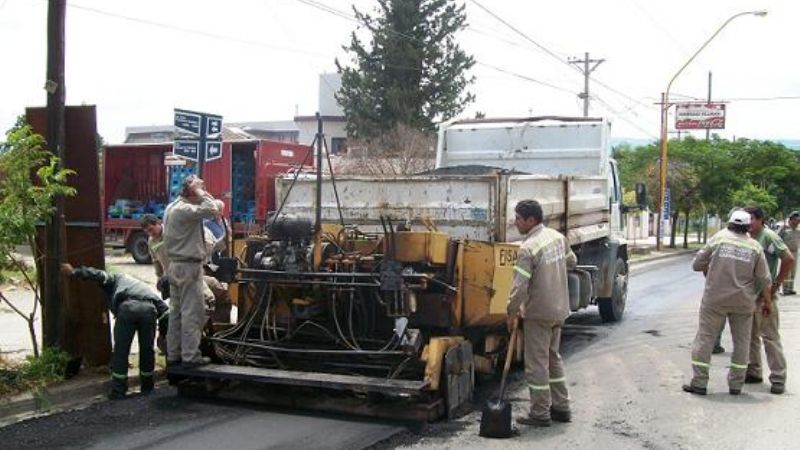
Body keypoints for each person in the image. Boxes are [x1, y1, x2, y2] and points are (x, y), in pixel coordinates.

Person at [682, 210, 771, 396]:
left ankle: (699, 383)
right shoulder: (754, 247)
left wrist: (711, 268)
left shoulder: (718, 239)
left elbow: (697, 264)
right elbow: (763, 279)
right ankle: (736, 385)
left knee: (705, 339)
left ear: (729, 223)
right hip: (743, 302)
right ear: (747, 227)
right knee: (742, 342)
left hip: (715, 299)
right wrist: (768, 302)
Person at [507, 199, 576, 427]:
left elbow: (519, 288)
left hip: (538, 314)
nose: (515, 222)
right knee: (553, 359)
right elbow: (572, 262)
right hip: (559, 310)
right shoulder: (557, 238)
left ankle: (539, 413)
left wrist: (510, 311)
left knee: (536, 364)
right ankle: (562, 407)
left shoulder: (528, 248)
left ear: (531, 220)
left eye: (518, 218)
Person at [61, 263, 169, 399]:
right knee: (147, 350)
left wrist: (74, 272)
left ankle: (119, 390)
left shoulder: (116, 278)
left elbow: (97, 275)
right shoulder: (143, 288)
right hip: (149, 310)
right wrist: (163, 333)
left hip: (128, 308)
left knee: (121, 351)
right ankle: (147, 387)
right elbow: (165, 312)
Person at [162, 175, 219, 368]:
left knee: (176, 314)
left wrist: (200, 191)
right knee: (191, 313)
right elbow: (213, 209)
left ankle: (174, 355)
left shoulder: (172, 207)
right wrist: (200, 191)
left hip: (175, 265)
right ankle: (190, 356)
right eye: (202, 189)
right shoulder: (185, 209)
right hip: (188, 267)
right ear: (193, 192)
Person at [745, 206, 794, 394]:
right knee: (751, 337)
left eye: (751, 220)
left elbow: (788, 258)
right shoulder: (747, 238)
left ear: (760, 220)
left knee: (770, 338)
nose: (748, 224)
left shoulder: (768, 237)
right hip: (750, 297)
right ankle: (754, 370)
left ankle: (778, 378)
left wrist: (776, 285)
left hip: (765, 297)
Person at [778, 211, 800, 295]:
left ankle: (790, 288)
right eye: (796, 220)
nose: (798, 222)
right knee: (786, 271)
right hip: (786, 251)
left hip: (795, 251)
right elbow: (777, 238)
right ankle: (785, 289)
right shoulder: (784, 227)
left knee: (793, 271)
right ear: (791, 219)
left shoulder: (798, 229)